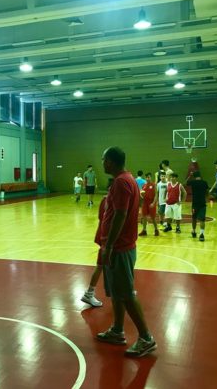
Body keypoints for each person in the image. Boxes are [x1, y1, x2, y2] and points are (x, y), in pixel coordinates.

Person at [96, 146, 156, 358]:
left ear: (110, 162)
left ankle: (146, 338)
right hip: (120, 245)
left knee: (127, 294)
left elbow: (120, 215)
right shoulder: (127, 179)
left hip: (119, 247)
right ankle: (117, 330)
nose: (102, 163)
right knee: (118, 292)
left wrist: (110, 245)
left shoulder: (121, 182)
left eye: (103, 159)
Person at [81, 178, 114, 307]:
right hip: (106, 237)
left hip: (104, 235)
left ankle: (122, 290)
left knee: (109, 265)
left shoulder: (105, 199)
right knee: (101, 265)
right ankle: (89, 293)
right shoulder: (109, 201)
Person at [187, 171, 209, 241]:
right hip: (202, 203)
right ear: (200, 176)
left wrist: (190, 176)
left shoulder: (193, 182)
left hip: (195, 204)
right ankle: (202, 234)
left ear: (194, 176)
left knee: (194, 218)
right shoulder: (204, 183)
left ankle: (194, 231)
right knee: (202, 220)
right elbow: (207, 192)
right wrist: (207, 198)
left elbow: (186, 183)